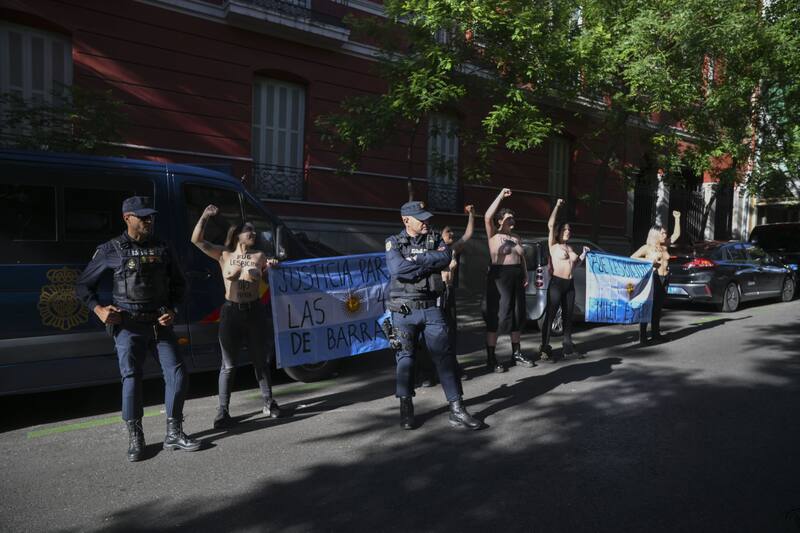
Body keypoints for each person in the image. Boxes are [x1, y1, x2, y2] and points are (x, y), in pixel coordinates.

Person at [76, 196, 200, 462]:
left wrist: (172, 310)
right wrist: (100, 311)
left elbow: (181, 286)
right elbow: (83, 286)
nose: (148, 220)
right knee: (131, 380)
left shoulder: (163, 247)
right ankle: (136, 437)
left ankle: (174, 432)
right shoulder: (110, 249)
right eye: (142, 216)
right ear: (127, 218)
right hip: (128, 326)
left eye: (150, 216)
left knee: (178, 374)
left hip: (159, 324)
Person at [385, 200, 481, 431]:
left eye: (427, 217)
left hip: (431, 308)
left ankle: (457, 409)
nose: (427, 221)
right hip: (404, 309)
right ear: (406, 220)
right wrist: (429, 262)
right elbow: (397, 270)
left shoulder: (435, 238)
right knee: (405, 360)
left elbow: (445, 258)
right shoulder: (394, 242)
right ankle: (406, 408)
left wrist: (416, 261)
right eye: (421, 218)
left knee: (445, 358)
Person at [191, 205, 282, 428]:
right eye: (248, 230)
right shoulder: (223, 254)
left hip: (255, 312)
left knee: (260, 361)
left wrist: (271, 269)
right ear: (237, 234)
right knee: (228, 365)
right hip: (231, 313)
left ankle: (269, 402)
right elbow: (197, 240)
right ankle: (222, 411)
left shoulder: (260, 256)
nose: (253, 234)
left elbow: (269, 282)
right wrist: (204, 216)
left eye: (254, 231)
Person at [417, 205, 476, 386]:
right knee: (432, 334)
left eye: (452, 230)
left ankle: (453, 367)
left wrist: (472, 215)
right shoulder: (433, 250)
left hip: (449, 294)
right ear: (439, 235)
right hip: (435, 293)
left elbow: (467, 235)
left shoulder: (454, 249)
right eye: (448, 231)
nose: (452, 233)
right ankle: (428, 373)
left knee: (451, 333)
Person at [483, 188, 536, 373]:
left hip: (516, 275)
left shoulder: (516, 237)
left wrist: (526, 275)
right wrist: (500, 196)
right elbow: (487, 217)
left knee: (517, 315)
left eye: (513, 218)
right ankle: (491, 357)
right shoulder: (494, 236)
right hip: (499, 276)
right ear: (500, 221)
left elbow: (521, 258)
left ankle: (516, 353)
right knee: (497, 316)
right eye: (507, 218)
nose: (511, 220)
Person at [539, 198, 590, 362]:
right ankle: (545, 348)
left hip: (569, 285)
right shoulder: (553, 244)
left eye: (569, 230)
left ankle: (567, 347)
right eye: (565, 230)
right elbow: (551, 224)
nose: (568, 232)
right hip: (556, 284)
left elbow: (574, 266)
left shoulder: (570, 248)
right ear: (559, 232)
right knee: (551, 315)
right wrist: (557, 206)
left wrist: (583, 255)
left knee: (568, 317)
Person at [631, 210, 681, 344]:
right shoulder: (647, 248)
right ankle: (642, 337)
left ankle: (656, 334)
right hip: (653, 279)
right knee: (648, 307)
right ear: (656, 235)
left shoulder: (664, 247)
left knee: (658, 308)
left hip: (665, 279)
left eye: (665, 233)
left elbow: (676, 234)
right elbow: (632, 258)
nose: (665, 235)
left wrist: (677, 218)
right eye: (663, 233)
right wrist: (648, 262)